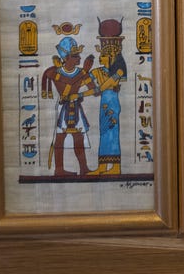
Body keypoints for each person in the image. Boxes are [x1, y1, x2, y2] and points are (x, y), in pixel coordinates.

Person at [41, 36, 97, 177]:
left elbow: (95, 91)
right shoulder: (56, 73)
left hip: (76, 107)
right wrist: (84, 73)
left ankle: (84, 168)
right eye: (75, 56)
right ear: (66, 58)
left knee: (79, 137)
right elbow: (69, 85)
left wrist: (81, 94)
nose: (79, 58)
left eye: (78, 55)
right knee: (60, 137)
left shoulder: (81, 72)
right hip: (64, 108)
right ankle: (59, 169)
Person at [88, 19, 127, 176]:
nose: (101, 55)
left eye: (104, 53)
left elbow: (112, 81)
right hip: (105, 100)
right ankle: (103, 166)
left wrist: (98, 88)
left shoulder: (119, 63)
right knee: (104, 132)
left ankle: (115, 167)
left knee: (111, 133)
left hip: (111, 101)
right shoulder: (107, 65)